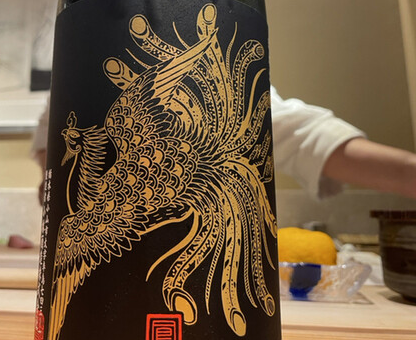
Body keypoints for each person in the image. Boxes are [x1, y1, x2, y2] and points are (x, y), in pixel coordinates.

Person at [32, 87, 416, 203]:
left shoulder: (217, 76)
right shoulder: (73, 70)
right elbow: (51, 146)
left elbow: (300, 134)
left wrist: (406, 173)